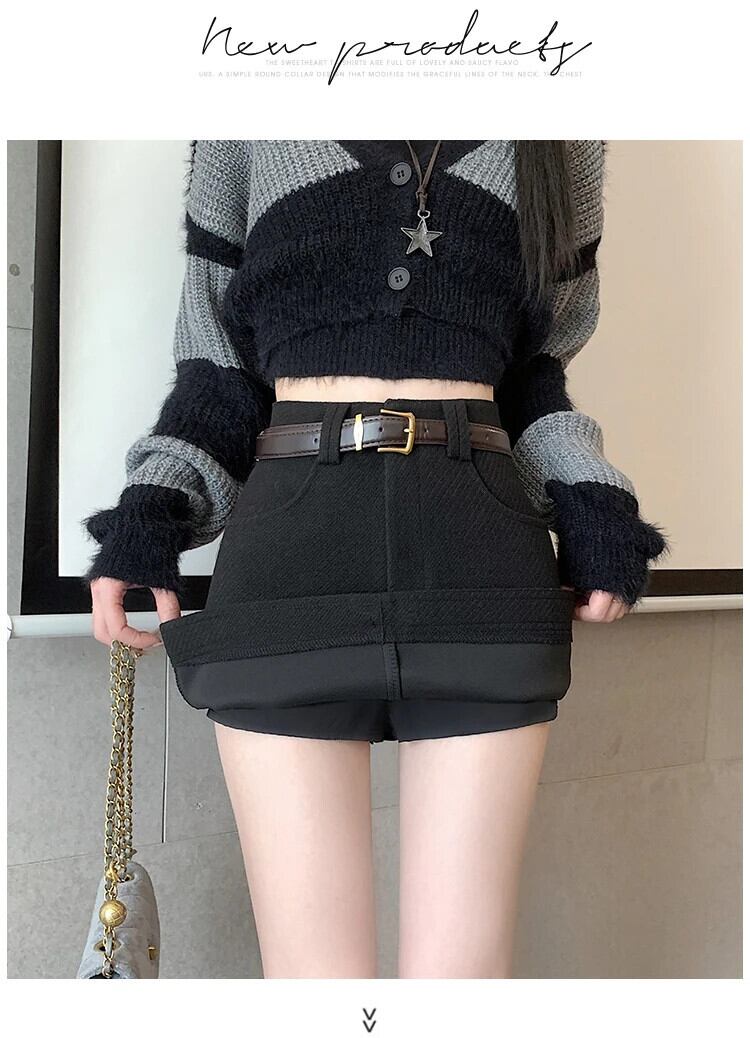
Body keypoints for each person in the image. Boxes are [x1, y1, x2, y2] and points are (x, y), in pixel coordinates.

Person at [82, 140, 668, 978]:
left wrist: (588, 492)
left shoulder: (559, 129)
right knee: (313, 987)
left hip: (480, 549)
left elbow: (535, 374)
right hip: (290, 554)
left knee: (460, 987)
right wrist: (153, 506)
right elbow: (218, 372)